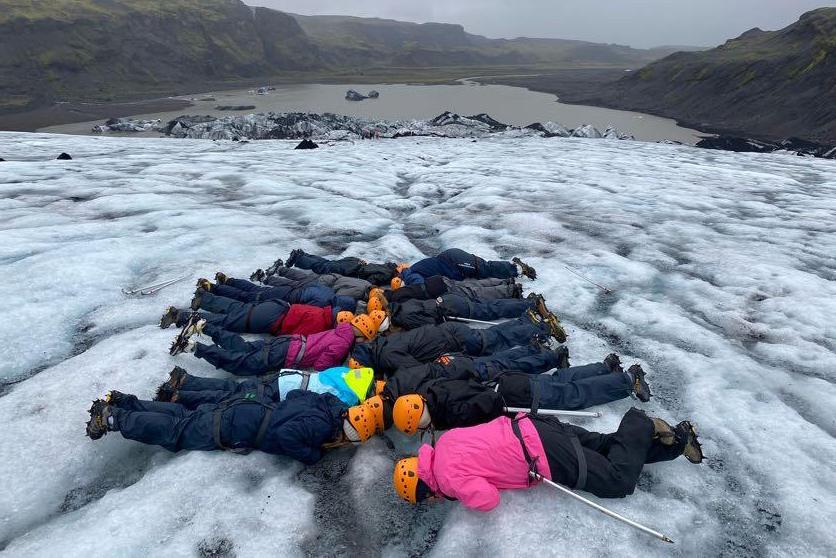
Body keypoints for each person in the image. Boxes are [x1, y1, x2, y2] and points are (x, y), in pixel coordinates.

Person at [392, 409, 703, 509]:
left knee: (617, 480)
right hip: (534, 426)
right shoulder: (444, 442)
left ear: (426, 489)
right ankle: (678, 440)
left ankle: (640, 421)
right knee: (608, 448)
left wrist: (459, 495)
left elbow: (487, 500)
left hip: (544, 454)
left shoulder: (448, 480)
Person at [85, 375, 386, 462]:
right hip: (239, 426)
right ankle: (114, 418)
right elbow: (286, 438)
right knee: (178, 430)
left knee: (184, 415)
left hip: (252, 408)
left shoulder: (327, 404)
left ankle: (125, 403)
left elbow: (295, 397)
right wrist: (313, 454)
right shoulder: (323, 427)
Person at [384, 354, 652, 435]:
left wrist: (497, 413)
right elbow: (467, 378)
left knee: (573, 395)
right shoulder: (435, 390)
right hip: (509, 382)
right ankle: (603, 367)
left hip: (517, 398)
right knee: (559, 380)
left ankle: (628, 379)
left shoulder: (453, 412)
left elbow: (488, 403)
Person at [348, 312, 559, 377]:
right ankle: (527, 322)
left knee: (497, 341)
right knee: (493, 336)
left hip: (454, 340)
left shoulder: (387, 356)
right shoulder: (383, 343)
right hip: (448, 332)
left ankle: (543, 329)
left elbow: (417, 370)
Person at [168, 312, 384, 376]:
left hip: (289, 342)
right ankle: (194, 347)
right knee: (243, 364)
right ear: (363, 334)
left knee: (243, 347)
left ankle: (204, 325)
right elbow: (321, 366)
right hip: (287, 355)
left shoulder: (341, 329)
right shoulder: (344, 342)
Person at [153, 365, 379, 408]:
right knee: (231, 399)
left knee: (232, 388)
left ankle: (186, 381)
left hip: (284, 377)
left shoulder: (346, 374)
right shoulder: (348, 398)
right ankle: (178, 396)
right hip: (280, 391)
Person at [378, 291, 565, 342]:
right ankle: (529, 305)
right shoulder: (401, 307)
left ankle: (531, 308)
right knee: (489, 306)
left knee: (491, 311)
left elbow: (430, 323)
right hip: (448, 301)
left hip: (453, 311)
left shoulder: (405, 319)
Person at [158, 290, 355, 337]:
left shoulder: (322, 310)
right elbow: (295, 337)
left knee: (237, 308)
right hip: (272, 319)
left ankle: (205, 298)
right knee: (228, 321)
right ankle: (180, 316)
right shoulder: (321, 326)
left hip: (278, 306)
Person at [200, 275, 357, 311]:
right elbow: (303, 308)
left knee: (256, 290)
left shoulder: (328, 292)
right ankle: (213, 288)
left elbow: (312, 285)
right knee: (248, 298)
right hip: (285, 297)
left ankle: (228, 281)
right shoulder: (324, 303)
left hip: (289, 290)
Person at [397, 248, 537, 285]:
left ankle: (516, 268)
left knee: (483, 268)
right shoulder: (413, 269)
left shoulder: (409, 274)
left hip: (452, 261)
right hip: (452, 260)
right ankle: (513, 270)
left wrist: (405, 276)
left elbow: (418, 283)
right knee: (481, 271)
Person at [250, 260, 375, 301]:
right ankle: (266, 279)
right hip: (324, 285)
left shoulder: (367, 283)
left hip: (330, 277)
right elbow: (338, 296)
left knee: (301, 276)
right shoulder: (359, 292)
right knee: (294, 285)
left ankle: (279, 269)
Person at [285, 249, 397, 286]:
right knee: (323, 267)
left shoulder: (389, 267)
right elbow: (370, 280)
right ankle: (297, 258)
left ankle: (303, 255)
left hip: (354, 262)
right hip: (352, 270)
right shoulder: (388, 275)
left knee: (327, 263)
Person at [385, 274, 522, 304]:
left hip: (439, 290)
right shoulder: (398, 291)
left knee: (474, 293)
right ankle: (505, 281)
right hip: (436, 280)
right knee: (475, 285)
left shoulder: (398, 299)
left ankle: (510, 290)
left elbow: (419, 304)